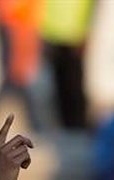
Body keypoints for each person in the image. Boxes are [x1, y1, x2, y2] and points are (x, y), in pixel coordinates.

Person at [0, 0, 45, 132]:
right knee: (15, 76)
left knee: (16, 78)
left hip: (20, 23)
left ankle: (36, 122)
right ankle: (36, 123)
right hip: (14, 23)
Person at [41, 0, 94, 130]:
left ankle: (77, 125)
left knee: (74, 85)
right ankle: (64, 125)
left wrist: (85, 31)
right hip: (52, 34)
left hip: (74, 36)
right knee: (58, 85)